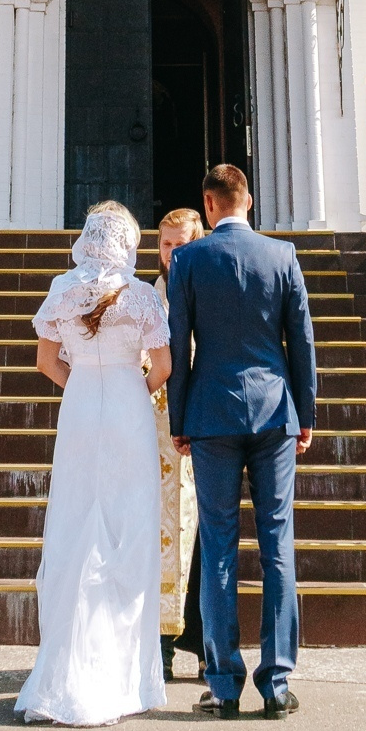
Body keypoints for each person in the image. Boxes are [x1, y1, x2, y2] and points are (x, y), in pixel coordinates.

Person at [167, 164, 316, 721]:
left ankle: (225, 684)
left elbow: (180, 345)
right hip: (274, 411)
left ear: (208, 205)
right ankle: (277, 683)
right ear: (247, 200)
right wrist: (306, 411)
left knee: (220, 547)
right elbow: (300, 339)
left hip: (210, 414)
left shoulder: (188, 259)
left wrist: (179, 417)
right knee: (277, 545)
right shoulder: (282, 257)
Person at [14, 201, 171, 728]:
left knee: (76, 525)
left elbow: (44, 361)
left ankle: (64, 670)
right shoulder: (143, 295)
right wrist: (132, 389)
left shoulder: (62, 290)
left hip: (80, 407)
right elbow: (166, 365)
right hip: (126, 406)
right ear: (127, 244)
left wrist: (80, 382)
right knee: (129, 529)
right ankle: (126, 678)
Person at [152, 207, 205, 679]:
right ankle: (161, 646)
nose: (174, 254)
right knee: (161, 532)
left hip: (201, 427)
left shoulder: (211, 286)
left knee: (204, 534)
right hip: (157, 432)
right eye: (167, 245)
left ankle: (205, 642)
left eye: (182, 244)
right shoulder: (147, 299)